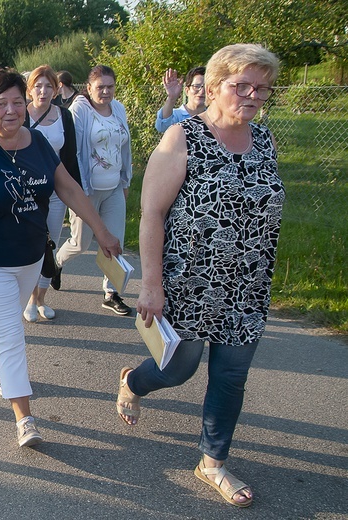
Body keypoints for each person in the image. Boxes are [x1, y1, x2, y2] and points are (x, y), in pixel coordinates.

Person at [118, 43, 283, 508]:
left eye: (261, 87)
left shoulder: (265, 140)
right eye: (241, 85)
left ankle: (213, 462)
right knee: (178, 369)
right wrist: (152, 285)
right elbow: (151, 216)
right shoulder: (182, 139)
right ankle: (133, 382)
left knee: (231, 377)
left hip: (248, 284)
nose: (252, 95)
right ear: (213, 86)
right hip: (189, 283)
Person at [0, 67, 121, 447]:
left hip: (29, 258)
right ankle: (25, 418)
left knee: (6, 321)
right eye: (0, 104)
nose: (10, 111)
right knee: (12, 332)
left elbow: (70, 189)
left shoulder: (38, 143)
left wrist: (102, 230)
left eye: (16, 102)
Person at [52, 65, 133, 316]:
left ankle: (111, 293)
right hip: (87, 189)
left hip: (114, 188)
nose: (106, 92)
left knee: (113, 241)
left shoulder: (118, 109)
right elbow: (73, 150)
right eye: (100, 87)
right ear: (89, 88)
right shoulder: (80, 109)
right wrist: (77, 188)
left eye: (110, 87)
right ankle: (56, 262)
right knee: (81, 243)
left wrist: (126, 181)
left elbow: (124, 148)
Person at [21, 65, 81, 322]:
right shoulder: (20, 114)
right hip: (27, 193)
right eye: (38, 85)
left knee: (51, 245)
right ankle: (27, 298)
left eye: (48, 86)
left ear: (56, 89)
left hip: (56, 192)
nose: (43, 91)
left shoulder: (64, 117)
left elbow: (70, 158)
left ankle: (40, 298)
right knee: (30, 247)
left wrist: (76, 196)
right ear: (29, 89)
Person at [155, 66, 207, 133]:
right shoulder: (177, 116)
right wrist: (171, 98)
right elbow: (162, 127)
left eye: (205, 87)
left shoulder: (214, 117)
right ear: (187, 90)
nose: (202, 91)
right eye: (196, 86)